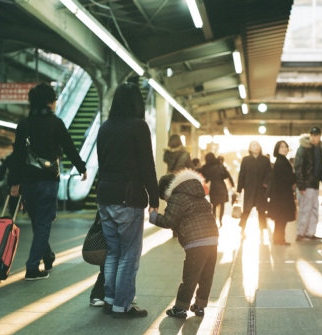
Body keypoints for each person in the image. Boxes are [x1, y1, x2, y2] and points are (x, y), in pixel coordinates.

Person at [9, 82, 87, 280]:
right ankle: (32, 268)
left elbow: (17, 155)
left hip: (28, 182)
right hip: (48, 181)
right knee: (43, 224)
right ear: (48, 102)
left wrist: (15, 183)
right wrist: (81, 168)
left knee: (38, 222)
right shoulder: (55, 122)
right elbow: (69, 147)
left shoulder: (24, 124)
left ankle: (48, 255)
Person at [96, 82, 159, 319]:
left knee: (113, 253)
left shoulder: (105, 127)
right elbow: (147, 165)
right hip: (128, 197)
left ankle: (110, 299)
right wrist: (154, 197)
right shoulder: (138, 127)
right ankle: (122, 305)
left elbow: (102, 163)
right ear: (137, 103)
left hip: (105, 196)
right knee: (129, 254)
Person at [149, 169, 219, 318]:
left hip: (196, 242)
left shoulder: (177, 198)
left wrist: (153, 216)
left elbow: (168, 220)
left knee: (190, 276)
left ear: (167, 191)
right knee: (206, 275)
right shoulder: (198, 194)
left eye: (164, 198)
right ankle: (199, 306)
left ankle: (180, 308)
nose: (166, 201)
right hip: (212, 239)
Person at [294, 126, 322, 241]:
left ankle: (310, 232)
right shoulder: (303, 149)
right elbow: (298, 167)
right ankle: (301, 232)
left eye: (316, 135)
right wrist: (301, 185)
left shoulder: (319, 150)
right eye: (312, 135)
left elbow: (320, 168)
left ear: (319, 136)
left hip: (315, 184)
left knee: (314, 209)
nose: (314, 137)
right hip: (306, 185)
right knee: (305, 209)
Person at [237, 141, 271, 233]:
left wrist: (266, 183)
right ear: (250, 148)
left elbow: (269, 173)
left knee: (261, 211)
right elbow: (242, 174)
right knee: (246, 210)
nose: (256, 147)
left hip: (261, 190)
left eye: (258, 145)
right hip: (249, 189)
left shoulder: (265, 160)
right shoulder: (246, 160)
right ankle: (242, 228)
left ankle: (262, 230)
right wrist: (239, 188)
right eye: (254, 145)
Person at [267, 141, 296, 245]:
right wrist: (294, 177)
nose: (284, 149)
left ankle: (278, 239)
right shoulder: (281, 162)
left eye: (286, 147)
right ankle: (279, 240)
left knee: (280, 220)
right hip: (282, 196)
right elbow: (286, 178)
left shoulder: (281, 161)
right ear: (277, 149)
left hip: (280, 195)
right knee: (281, 219)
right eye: (282, 147)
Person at [200, 152, 234, 227]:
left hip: (214, 187)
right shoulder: (220, 165)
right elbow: (227, 175)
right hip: (222, 186)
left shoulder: (206, 167)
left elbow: (205, 179)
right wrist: (233, 185)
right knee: (222, 205)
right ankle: (221, 220)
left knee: (214, 205)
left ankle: (214, 219)